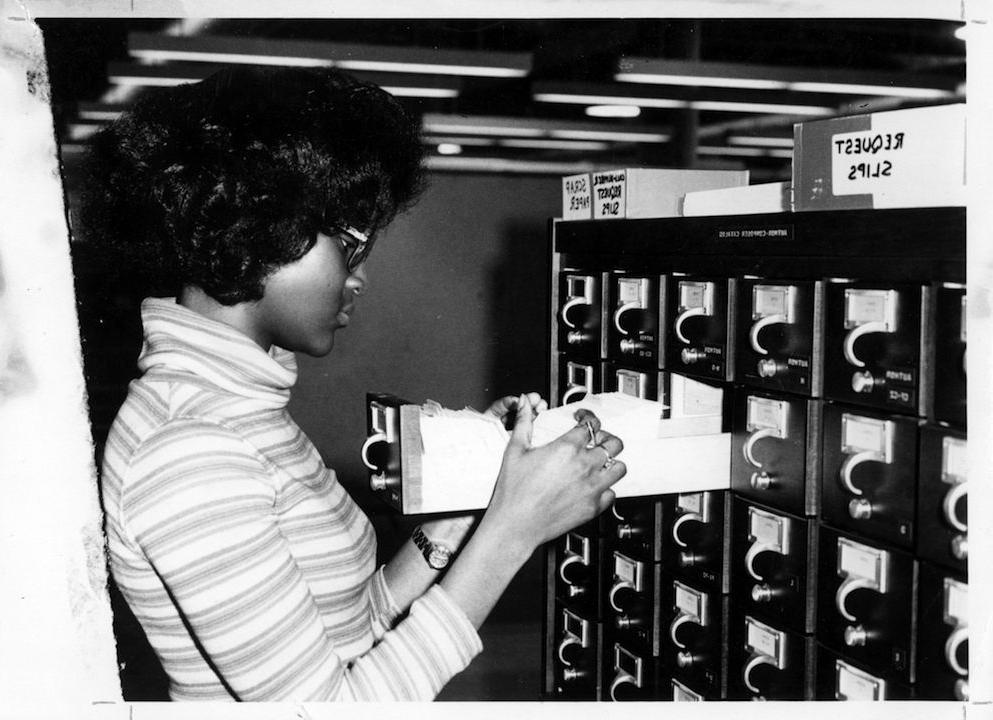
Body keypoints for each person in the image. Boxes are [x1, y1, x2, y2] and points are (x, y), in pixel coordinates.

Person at [81, 65, 625, 702]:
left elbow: (351, 630)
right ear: (257, 230)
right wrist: (513, 530)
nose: (359, 276)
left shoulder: (238, 410)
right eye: (346, 242)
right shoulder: (188, 449)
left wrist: (466, 513)